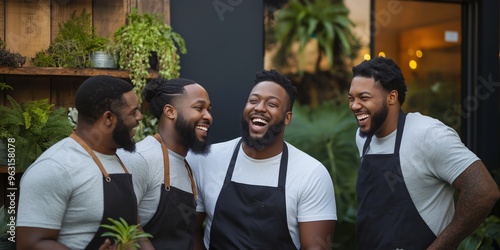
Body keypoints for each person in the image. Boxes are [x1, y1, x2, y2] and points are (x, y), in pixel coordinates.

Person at [348, 56, 500, 249]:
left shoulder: (428, 135)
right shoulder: (362, 137)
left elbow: (483, 191)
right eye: (351, 98)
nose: (354, 105)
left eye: (364, 97)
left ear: (392, 97)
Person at [187, 69, 337, 250]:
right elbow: (187, 231)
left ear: (287, 118)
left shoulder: (311, 174)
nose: (259, 108)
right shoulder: (207, 159)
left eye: (272, 104)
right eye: (253, 101)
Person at [16, 75, 150, 249]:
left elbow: (136, 231)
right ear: (108, 118)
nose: (140, 117)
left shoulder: (122, 162)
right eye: (133, 112)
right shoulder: (54, 167)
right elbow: (30, 244)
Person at [118, 77, 213, 249]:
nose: (208, 116)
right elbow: (124, 229)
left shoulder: (186, 166)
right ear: (170, 111)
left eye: (208, 109)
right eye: (199, 108)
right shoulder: (139, 158)